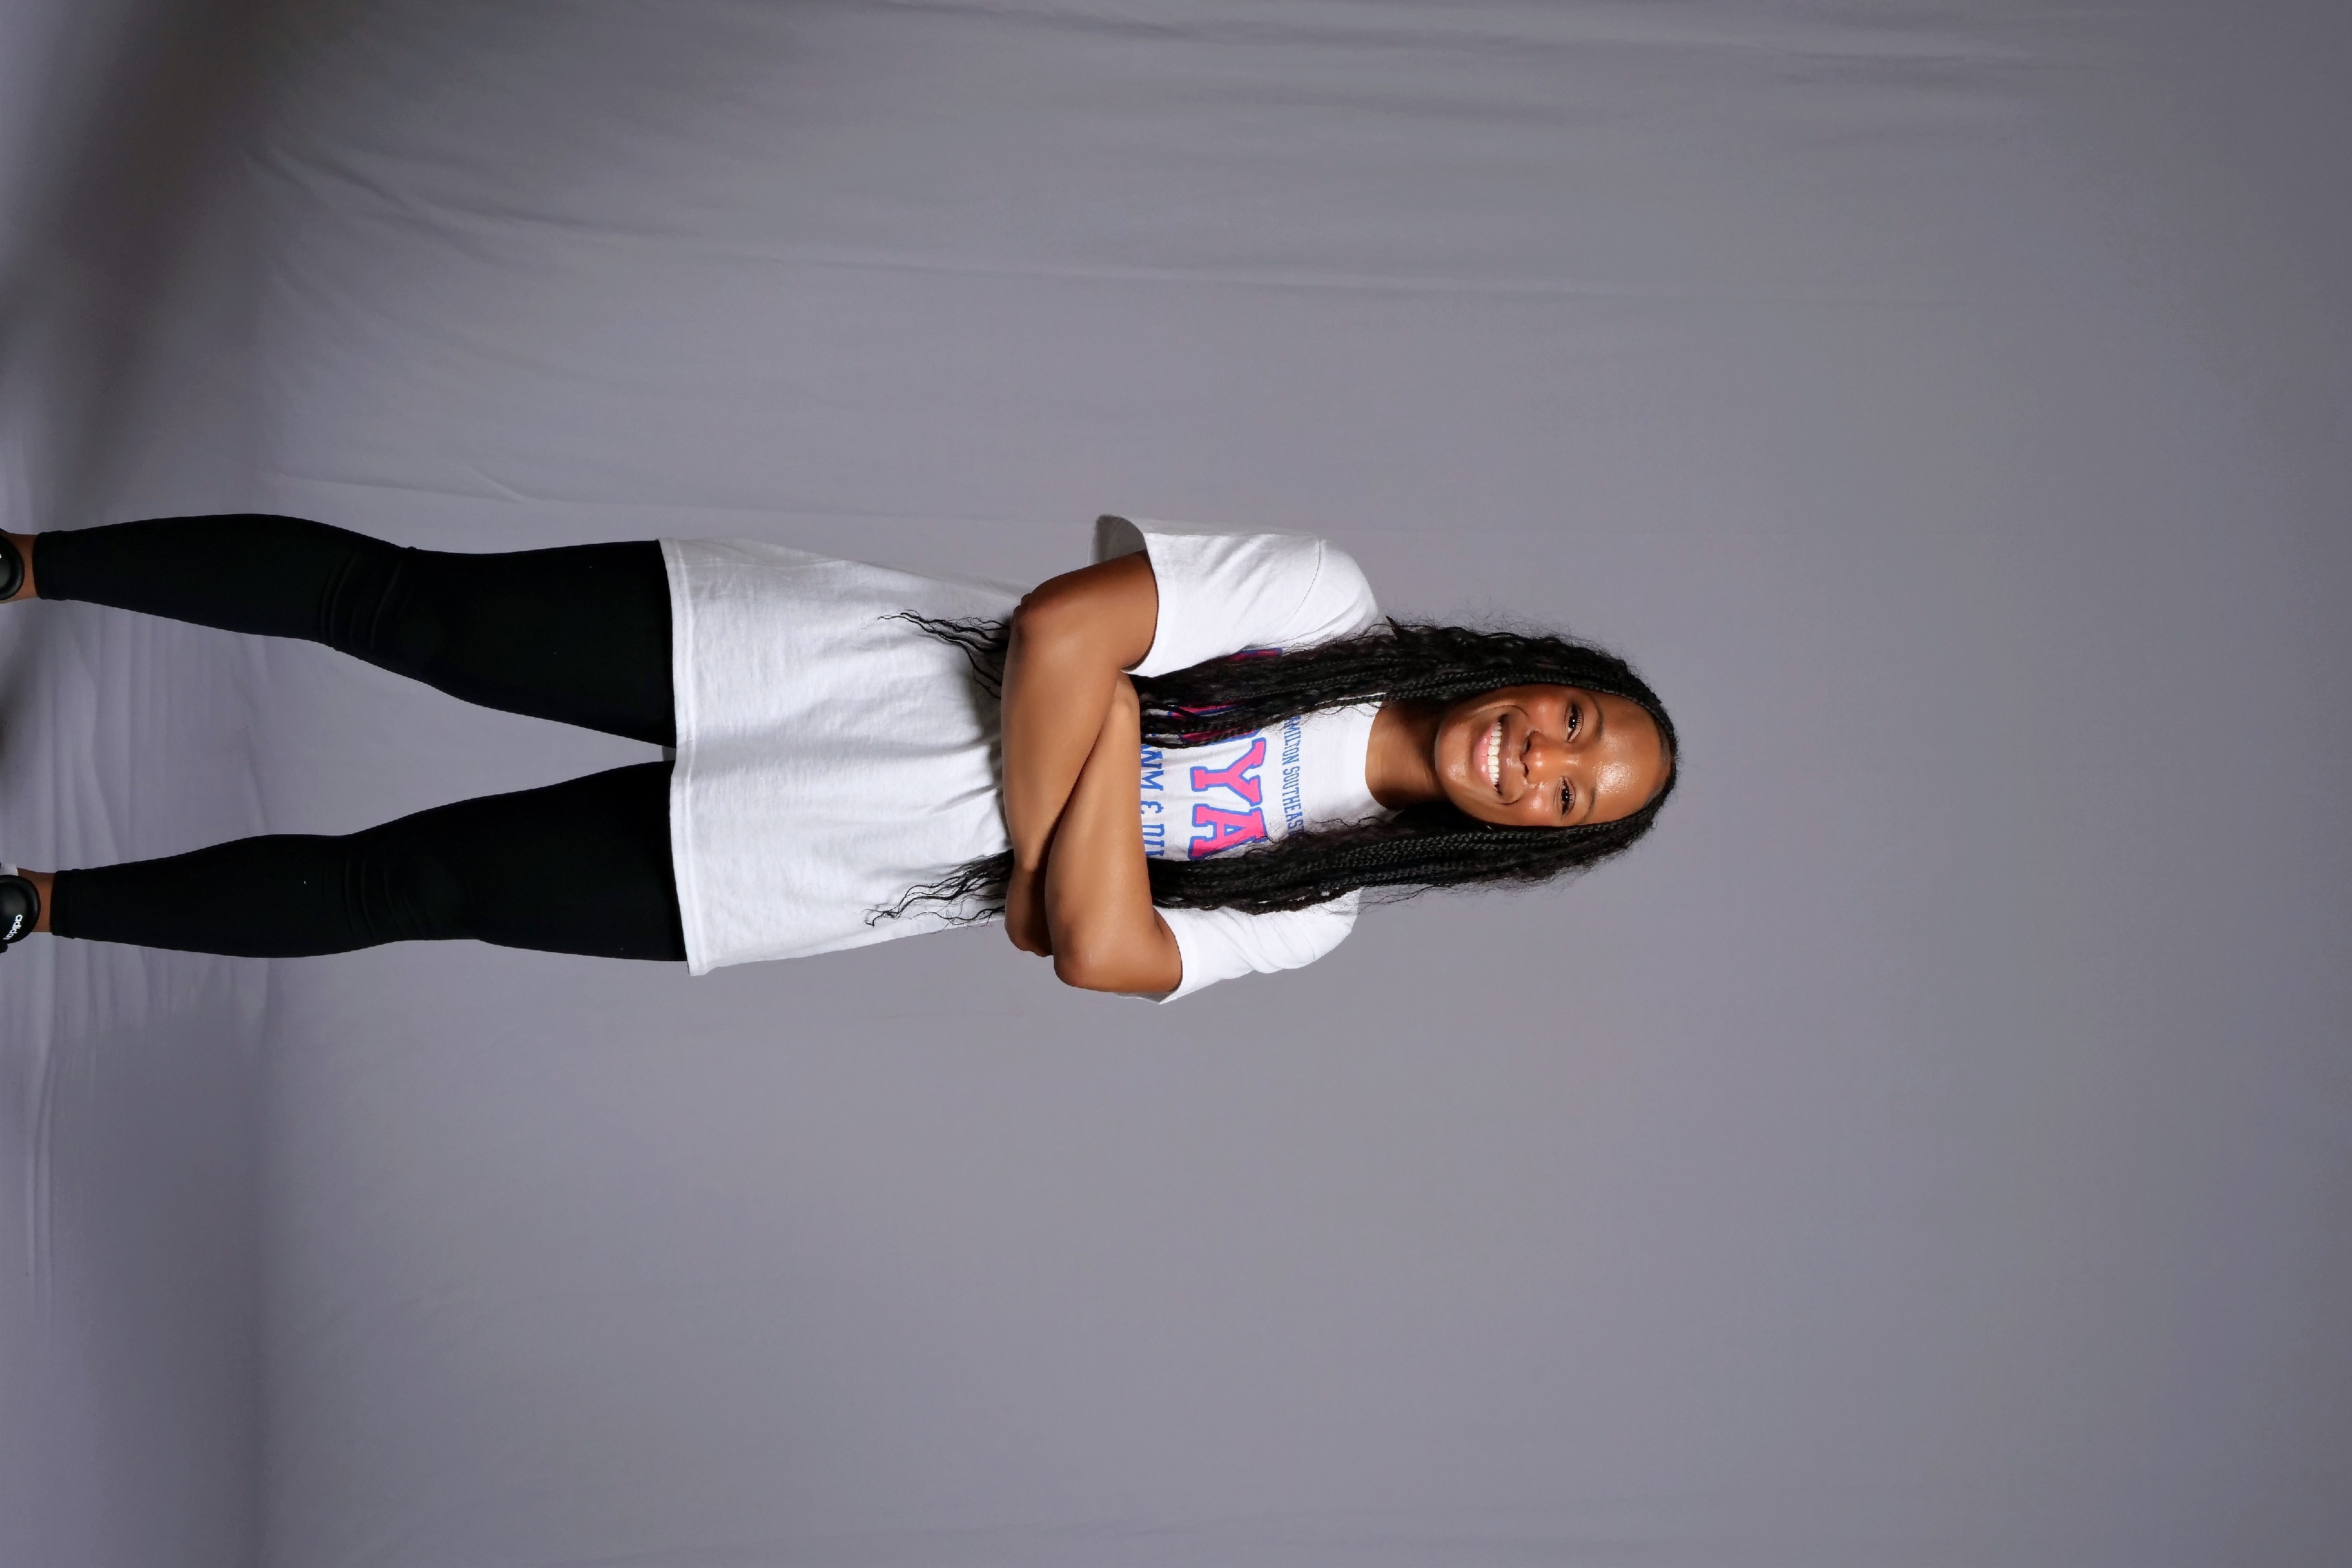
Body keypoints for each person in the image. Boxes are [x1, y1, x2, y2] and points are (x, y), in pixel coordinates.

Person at [0, 514, 1676, 999]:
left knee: (407, 887)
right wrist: (1064, 832)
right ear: (1550, 679)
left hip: (808, 870)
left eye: (1568, 798)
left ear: (1529, 841)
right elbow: (1066, 631)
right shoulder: (1320, 602)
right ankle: (22, 565)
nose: (1540, 761)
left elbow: (1102, 951)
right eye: (1577, 726)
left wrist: (1099, 724)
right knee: (406, 607)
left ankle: (37, 906)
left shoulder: (1314, 914)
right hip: (800, 652)